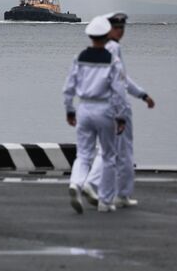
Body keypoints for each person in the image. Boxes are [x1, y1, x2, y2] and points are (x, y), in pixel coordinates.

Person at [83, 12, 155, 208]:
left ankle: (109, 189)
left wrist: (141, 94)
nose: (121, 31)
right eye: (118, 28)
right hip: (117, 104)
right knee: (122, 150)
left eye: (122, 28)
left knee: (109, 149)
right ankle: (113, 191)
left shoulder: (100, 48)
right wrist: (139, 96)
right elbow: (121, 80)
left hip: (98, 104)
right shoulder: (114, 48)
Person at [63, 16, 128, 214]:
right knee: (108, 155)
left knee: (83, 154)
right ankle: (105, 201)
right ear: (107, 35)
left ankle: (76, 183)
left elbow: (68, 87)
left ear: (90, 35)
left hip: (83, 108)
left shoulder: (79, 57)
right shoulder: (113, 60)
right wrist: (121, 115)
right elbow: (118, 91)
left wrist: (69, 109)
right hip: (104, 108)